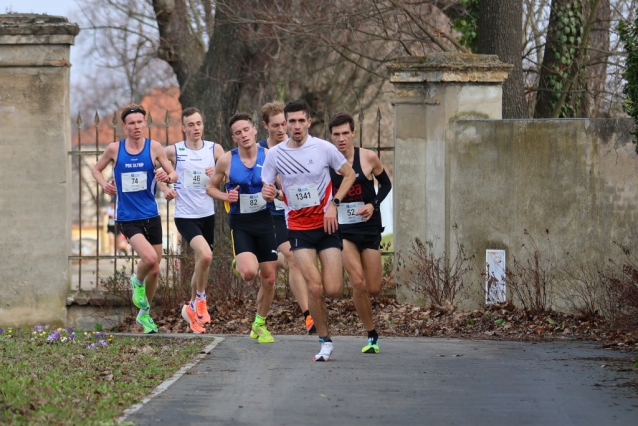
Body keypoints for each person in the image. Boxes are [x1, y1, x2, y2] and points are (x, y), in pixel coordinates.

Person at [261, 100, 356, 361]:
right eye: (291, 121)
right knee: (314, 288)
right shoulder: (276, 154)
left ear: (309, 122)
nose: (296, 126)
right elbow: (267, 188)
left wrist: (334, 204)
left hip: (326, 226)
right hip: (299, 228)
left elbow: (350, 175)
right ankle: (325, 341)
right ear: (286, 124)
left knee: (333, 289)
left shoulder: (324, 148)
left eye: (301, 121)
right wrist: (269, 193)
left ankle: (325, 309)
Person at [91, 104, 177, 333]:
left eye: (140, 122)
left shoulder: (154, 147)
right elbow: (96, 169)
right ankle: (136, 282)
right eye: (132, 123)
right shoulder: (114, 149)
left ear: (145, 123)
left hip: (152, 215)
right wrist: (105, 185)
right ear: (124, 126)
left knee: (156, 269)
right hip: (128, 217)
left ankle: (144, 315)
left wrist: (166, 175)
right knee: (149, 259)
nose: (136, 126)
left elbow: (173, 173)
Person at [206, 113, 278, 343]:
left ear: (255, 130)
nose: (243, 135)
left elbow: (282, 188)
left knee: (269, 279)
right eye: (238, 132)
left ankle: (259, 324)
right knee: (248, 274)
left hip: (265, 221)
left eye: (246, 130)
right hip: (242, 224)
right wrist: (226, 195)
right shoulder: (227, 160)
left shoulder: (269, 156)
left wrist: (274, 193)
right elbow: (210, 188)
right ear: (233, 136)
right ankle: (244, 260)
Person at [328, 112, 392, 354]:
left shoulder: (367, 158)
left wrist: (373, 204)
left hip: (368, 227)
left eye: (345, 133)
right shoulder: (327, 162)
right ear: (331, 137)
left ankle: (372, 330)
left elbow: (385, 184)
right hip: (342, 229)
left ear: (353, 133)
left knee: (374, 288)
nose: (341, 138)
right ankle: (371, 334)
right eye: (336, 134)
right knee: (357, 281)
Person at [158, 107, 224, 334]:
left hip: (207, 214)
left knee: (202, 263)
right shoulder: (173, 151)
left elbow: (225, 178)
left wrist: (216, 172)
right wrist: (166, 187)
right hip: (185, 216)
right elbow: (155, 170)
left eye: (199, 123)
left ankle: (191, 310)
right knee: (205, 255)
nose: (196, 128)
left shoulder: (215, 149)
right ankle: (200, 299)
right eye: (191, 125)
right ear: (183, 128)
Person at [259, 101, 315, 334]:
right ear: (265, 126)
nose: (282, 129)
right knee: (293, 258)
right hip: (270, 214)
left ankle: (269, 259)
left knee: (294, 261)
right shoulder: (261, 151)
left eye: (285, 123)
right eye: (276, 125)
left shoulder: (299, 147)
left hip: (297, 211)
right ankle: (308, 315)